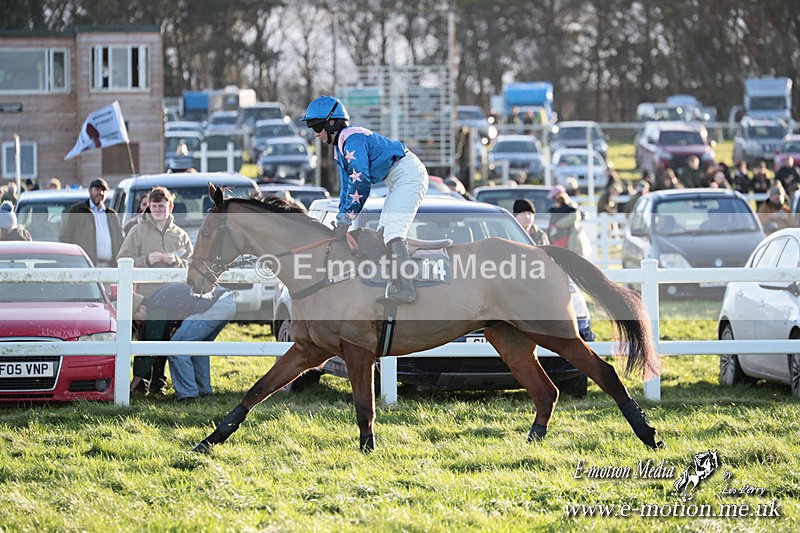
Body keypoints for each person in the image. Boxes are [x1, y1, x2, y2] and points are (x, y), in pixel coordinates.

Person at [302, 95, 429, 304]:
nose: (315, 134)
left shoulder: (352, 139)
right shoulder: (341, 147)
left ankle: (407, 289)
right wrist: (342, 216)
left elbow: (361, 182)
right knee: (382, 234)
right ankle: (392, 282)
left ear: (332, 123)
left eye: (316, 127)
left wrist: (346, 219)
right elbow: (347, 187)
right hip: (397, 179)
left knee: (393, 233)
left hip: (408, 174)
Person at [118, 186, 193, 397]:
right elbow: (123, 258)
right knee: (146, 339)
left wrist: (176, 261)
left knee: (166, 340)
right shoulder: (137, 231)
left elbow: (192, 263)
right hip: (147, 297)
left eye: (162, 206)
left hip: (175, 297)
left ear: (170, 206)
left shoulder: (180, 235)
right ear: (149, 207)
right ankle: (140, 384)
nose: (158, 210)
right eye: (154, 206)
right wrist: (146, 260)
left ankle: (158, 384)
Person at [131, 284, 235, 401]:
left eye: (136, 319)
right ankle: (204, 392)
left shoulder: (156, 309)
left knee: (177, 349)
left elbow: (151, 348)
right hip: (226, 302)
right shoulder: (157, 298)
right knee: (197, 349)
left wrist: (132, 386)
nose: (139, 324)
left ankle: (188, 395)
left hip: (213, 305)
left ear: (142, 308)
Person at [58, 178, 123, 267]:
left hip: (109, 266)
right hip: (85, 266)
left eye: (103, 190)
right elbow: (64, 237)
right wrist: (75, 261)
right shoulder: (77, 211)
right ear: (89, 191)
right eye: (97, 189)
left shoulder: (111, 215)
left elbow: (119, 240)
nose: (100, 193)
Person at [547, 186, 591, 257]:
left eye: (554, 197)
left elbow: (574, 217)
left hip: (570, 235)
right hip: (561, 236)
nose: (553, 199)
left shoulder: (570, 204)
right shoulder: (559, 206)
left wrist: (558, 224)